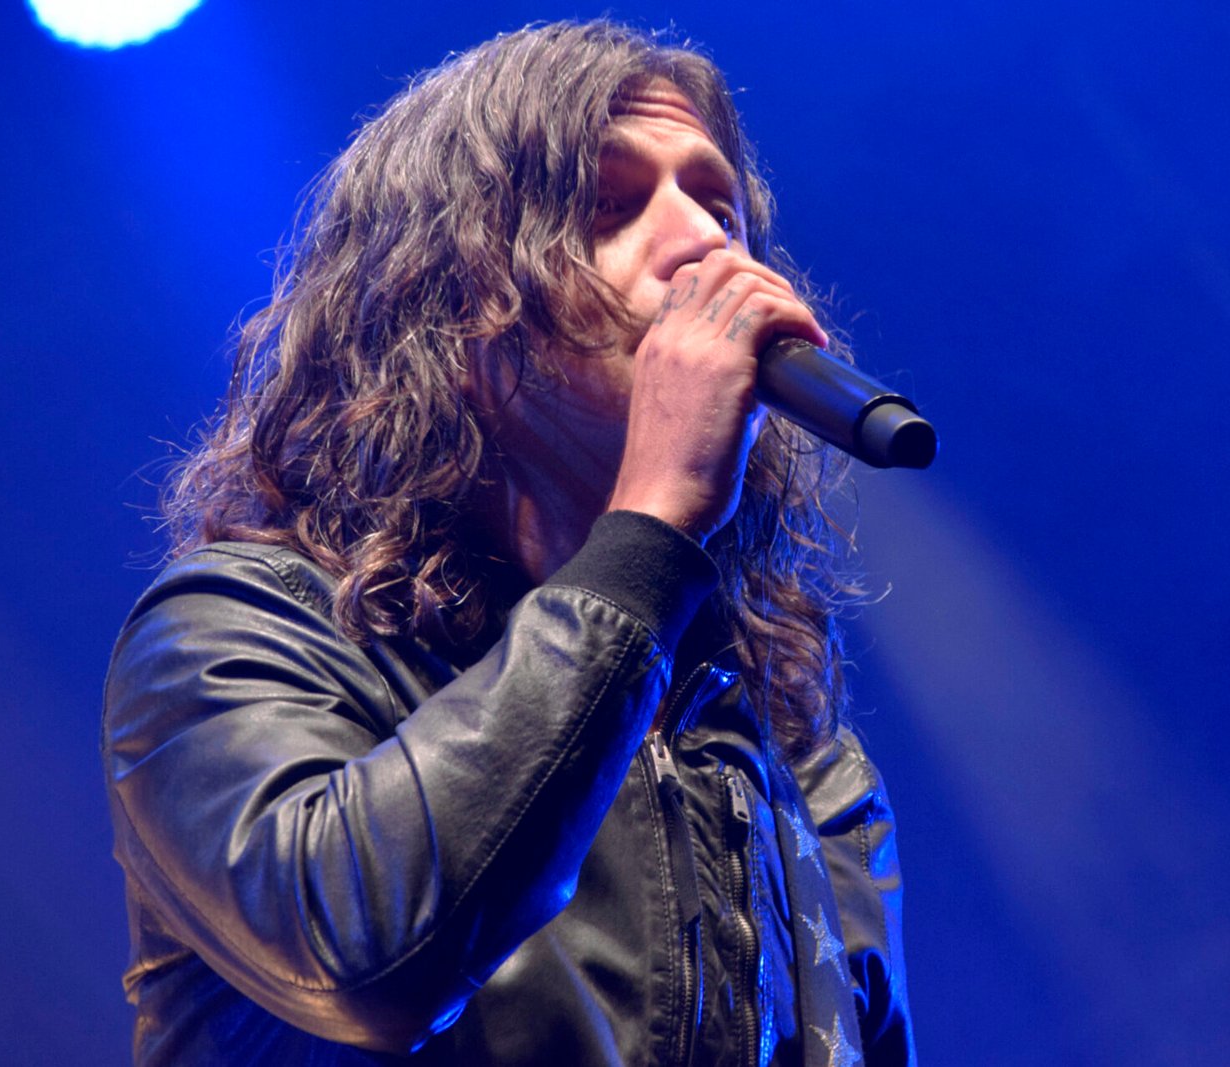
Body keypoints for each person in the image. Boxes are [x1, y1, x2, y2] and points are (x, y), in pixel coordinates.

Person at [103, 19, 915, 1065]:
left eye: (721, 210)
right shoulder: (232, 634)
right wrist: (654, 522)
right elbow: (369, 962)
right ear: (449, 304)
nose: (703, 243)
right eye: (608, 204)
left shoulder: (799, 756)